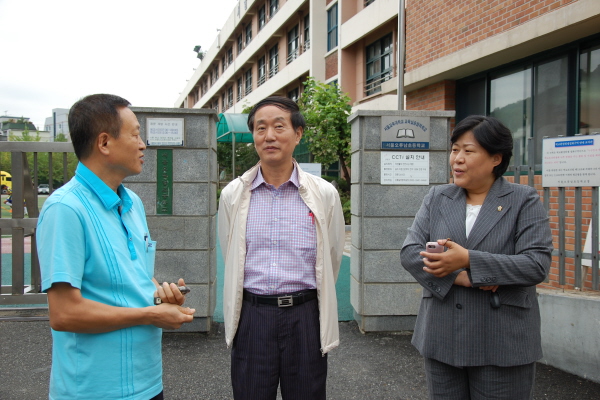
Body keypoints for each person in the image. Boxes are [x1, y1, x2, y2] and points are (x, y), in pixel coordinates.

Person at [37, 94, 195, 400]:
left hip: (147, 381)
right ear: (105, 143)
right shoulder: (65, 209)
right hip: (93, 389)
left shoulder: (132, 202)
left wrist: (161, 295)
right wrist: (150, 315)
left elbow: (136, 278)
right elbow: (64, 313)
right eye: (135, 134)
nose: (143, 144)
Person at [400, 115, 553, 399]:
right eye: (455, 149)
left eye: (468, 151)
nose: (457, 159)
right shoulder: (438, 197)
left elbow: (536, 264)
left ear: (496, 158)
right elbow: (410, 253)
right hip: (442, 335)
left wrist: (470, 259)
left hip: (502, 340)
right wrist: (462, 278)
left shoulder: (523, 199)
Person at [218, 96, 345, 400]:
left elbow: (333, 256)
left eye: (279, 126)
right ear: (253, 136)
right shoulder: (233, 194)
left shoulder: (324, 193)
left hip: (304, 317)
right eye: (260, 128)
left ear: (298, 133)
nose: (269, 136)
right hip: (253, 317)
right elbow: (230, 252)